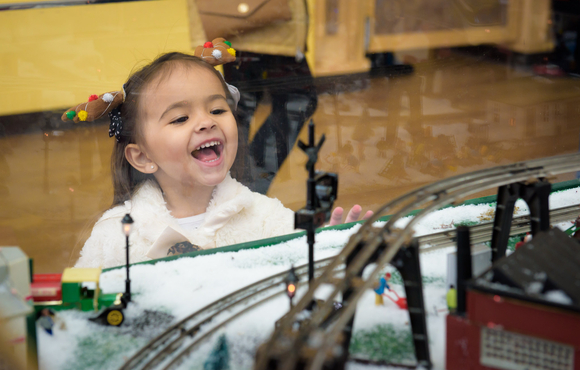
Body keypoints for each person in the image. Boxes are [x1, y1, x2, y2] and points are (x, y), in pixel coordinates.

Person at [68, 50, 371, 269]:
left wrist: (333, 252)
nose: (206, 122)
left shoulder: (266, 216)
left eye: (217, 110)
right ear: (142, 156)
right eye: (180, 118)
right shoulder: (115, 235)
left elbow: (301, 274)